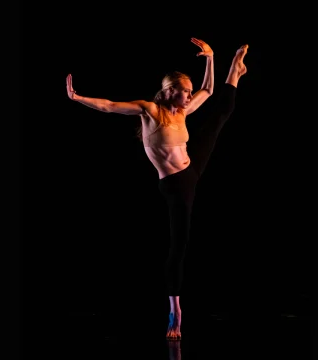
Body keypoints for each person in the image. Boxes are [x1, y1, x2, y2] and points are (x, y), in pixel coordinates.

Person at [66, 38, 248, 340]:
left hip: (192, 167)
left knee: (218, 116)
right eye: (184, 92)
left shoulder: (182, 113)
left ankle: (235, 71)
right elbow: (110, 106)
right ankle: (175, 310)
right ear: (168, 91)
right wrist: (78, 97)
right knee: (180, 244)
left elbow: (208, 91)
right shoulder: (149, 110)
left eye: (189, 92)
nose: (189, 97)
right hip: (176, 186)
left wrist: (211, 58)